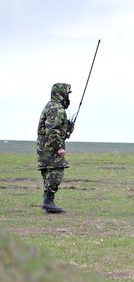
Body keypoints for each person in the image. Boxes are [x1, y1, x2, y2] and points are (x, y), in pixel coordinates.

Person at [36, 83, 74, 213]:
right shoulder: (57, 108)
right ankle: (48, 202)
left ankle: (48, 203)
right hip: (50, 148)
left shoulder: (51, 106)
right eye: (67, 94)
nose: (68, 97)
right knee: (56, 173)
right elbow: (52, 130)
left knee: (49, 174)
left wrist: (66, 130)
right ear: (61, 94)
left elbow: (53, 129)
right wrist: (59, 147)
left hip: (44, 147)